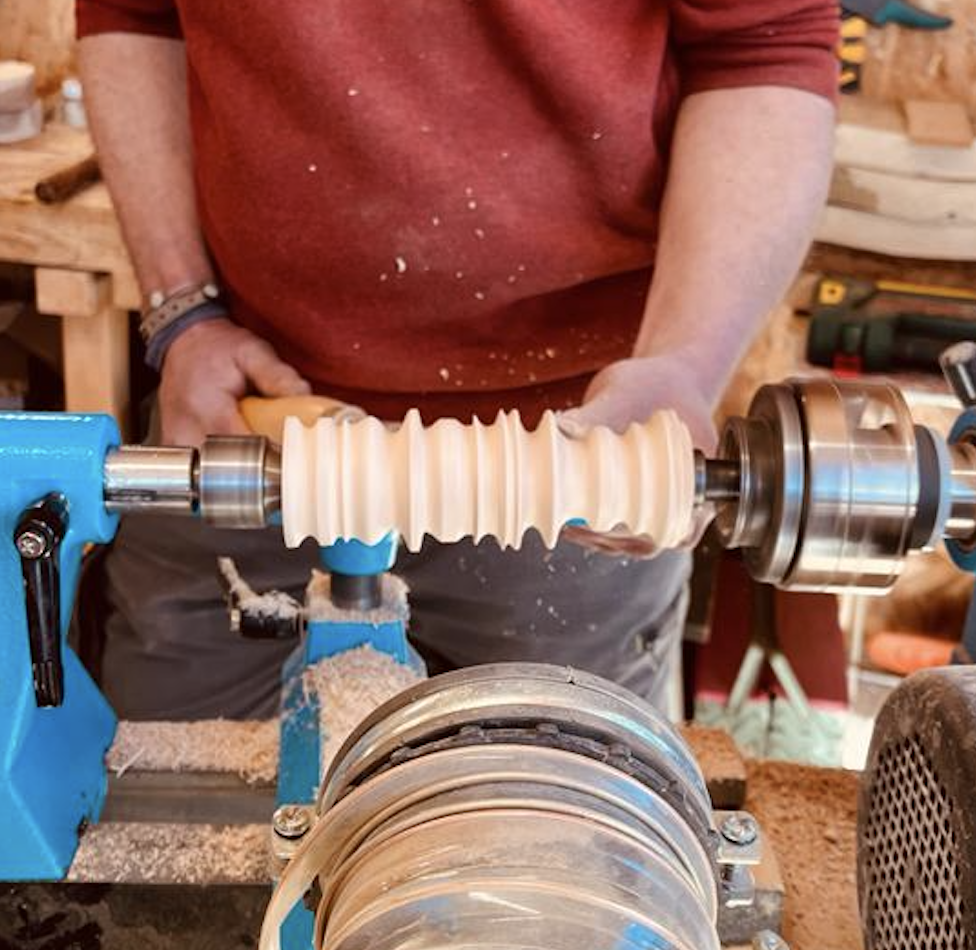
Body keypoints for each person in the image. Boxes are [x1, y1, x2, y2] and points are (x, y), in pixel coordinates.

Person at [75, 0, 838, 720]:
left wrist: (684, 361)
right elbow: (131, 13)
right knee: (162, 812)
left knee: (548, 841)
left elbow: (760, 45)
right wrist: (183, 313)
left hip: (578, 462)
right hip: (251, 423)